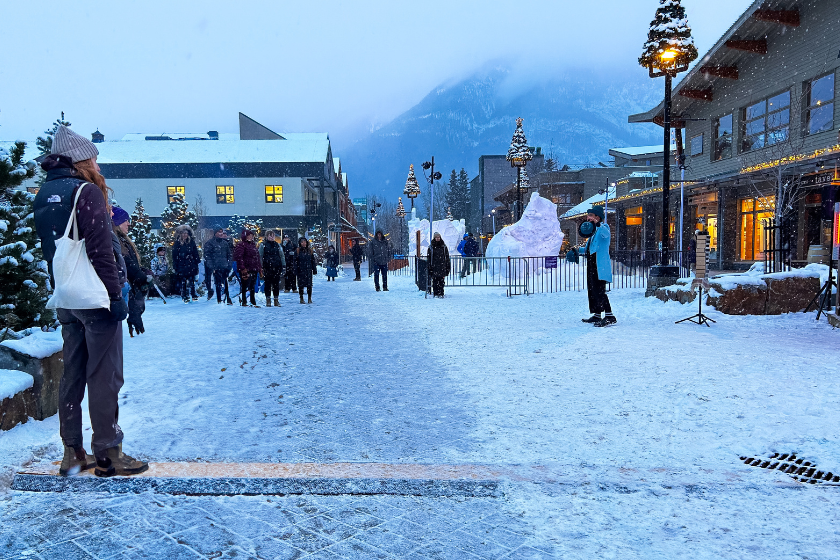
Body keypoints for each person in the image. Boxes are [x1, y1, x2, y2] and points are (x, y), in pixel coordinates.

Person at [32, 125, 147, 477]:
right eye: (94, 158)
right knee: (104, 375)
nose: (98, 165)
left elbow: (54, 249)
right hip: (96, 297)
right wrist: (115, 298)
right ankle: (109, 453)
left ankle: (72, 452)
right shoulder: (86, 192)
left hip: (68, 297)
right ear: (81, 159)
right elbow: (101, 252)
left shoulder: (45, 193)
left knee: (73, 373)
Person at [111, 207, 149, 337]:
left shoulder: (123, 241)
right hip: (122, 291)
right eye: (125, 220)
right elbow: (126, 266)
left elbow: (132, 265)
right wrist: (141, 276)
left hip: (130, 291)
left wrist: (144, 272)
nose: (128, 224)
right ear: (116, 222)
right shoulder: (115, 241)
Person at [581, 206, 616, 327]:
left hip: (600, 265)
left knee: (600, 291)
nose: (588, 217)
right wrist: (576, 251)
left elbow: (606, 235)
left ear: (597, 217)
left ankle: (610, 315)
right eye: (588, 215)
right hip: (592, 263)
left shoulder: (603, 228)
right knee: (592, 290)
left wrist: (598, 224)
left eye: (591, 215)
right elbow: (588, 248)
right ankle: (597, 314)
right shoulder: (592, 232)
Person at [204, 228, 234, 305]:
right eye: (219, 232)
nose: (221, 234)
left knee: (225, 283)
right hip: (216, 267)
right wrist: (212, 267)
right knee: (217, 284)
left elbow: (229, 255)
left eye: (221, 232)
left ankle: (227, 297)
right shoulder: (210, 243)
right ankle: (219, 300)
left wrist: (229, 265)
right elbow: (207, 256)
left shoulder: (225, 243)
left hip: (224, 266)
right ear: (215, 233)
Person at [233, 229, 262, 307]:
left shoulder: (253, 245)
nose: (250, 237)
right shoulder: (241, 245)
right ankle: (244, 301)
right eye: (249, 236)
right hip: (246, 269)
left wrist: (259, 267)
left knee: (252, 285)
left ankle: (252, 301)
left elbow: (257, 257)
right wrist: (242, 267)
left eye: (251, 236)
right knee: (245, 285)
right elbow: (239, 257)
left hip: (254, 268)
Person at [172, 225, 200, 304]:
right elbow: (174, 255)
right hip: (181, 264)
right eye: (183, 233)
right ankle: (184, 295)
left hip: (190, 264)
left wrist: (196, 261)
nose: (185, 235)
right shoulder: (177, 243)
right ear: (180, 234)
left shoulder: (191, 242)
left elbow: (195, 253)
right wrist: (176, 266)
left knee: (192, 281)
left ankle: (193, 294)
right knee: (183, 281)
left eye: (186, 233)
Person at [259, 230, 285, 307]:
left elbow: (282, 255)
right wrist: (261, 266)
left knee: (276, 284)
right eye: (270, 236)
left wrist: (283, 265)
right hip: (267, 267)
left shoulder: (277, 245)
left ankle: (276, 300)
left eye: (273, 236)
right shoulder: (263, 245)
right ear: (266, 237)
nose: (271, 237)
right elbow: (260, 256)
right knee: (267, 284)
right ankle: (268, 300)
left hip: (276, 267)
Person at [294, 236, 318, 304]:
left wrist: (314, 269)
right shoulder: (297, 251)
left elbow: (312, 260)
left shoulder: (309, 251)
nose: (303, 243)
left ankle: (309, 298)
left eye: (304, 242)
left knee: (309, 285)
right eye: (302, 242)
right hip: (300, 270)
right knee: (300, 285)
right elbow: (295, 261)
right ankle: (301, 298)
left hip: (308, 270)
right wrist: (295, 269)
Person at [427, 232, 451, 298]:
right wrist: (429, 267)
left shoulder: (443, 247)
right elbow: (429, 258)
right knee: (435, 281)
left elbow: (447, 257)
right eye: (436, 237)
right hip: (434, 266)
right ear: (434, 238)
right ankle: (436, 293)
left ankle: (441, 293)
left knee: (441, 281)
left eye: (438, 237)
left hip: (442, 266)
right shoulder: (431, 247)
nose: (437, 238)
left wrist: (447, 267)